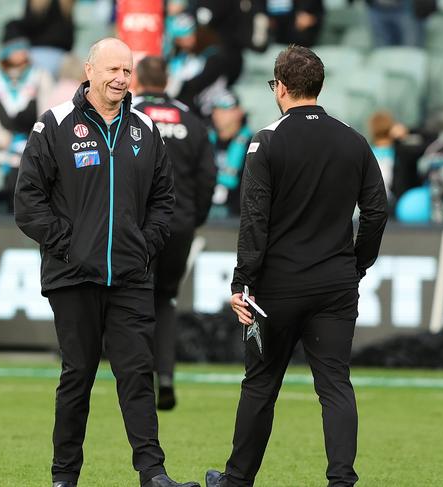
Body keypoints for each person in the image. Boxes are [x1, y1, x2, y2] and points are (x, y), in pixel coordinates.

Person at [13, 38, 200, 487]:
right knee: (77, 376)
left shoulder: (145, 128)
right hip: (72, 276)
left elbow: (164, 200)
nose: (120, 78)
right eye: (112, 69)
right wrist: (69, 245)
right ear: (90, 70)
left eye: (127, 71)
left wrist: (144, 245)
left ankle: (153, 474)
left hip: (132, 276)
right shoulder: (54, 124)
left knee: (137, 375)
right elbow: (28, 201)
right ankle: (64, 477)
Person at [205, 45, 388, 487]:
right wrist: (355, 265)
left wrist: (242, 281)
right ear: (318, 86)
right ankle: (342, 480)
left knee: (261, 385)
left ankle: (236, 480)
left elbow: (254, 220)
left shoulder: (265, 141)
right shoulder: (352, 139)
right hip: (334, 285)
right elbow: (377, 211)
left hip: (276, 290)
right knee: (335, 386)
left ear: (281, 87)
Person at [131, 55, 216, 411]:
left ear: (136, 79)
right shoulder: (191, 119)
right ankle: (165, 377)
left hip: (137, 225)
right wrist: (193, 218)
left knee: (133, 300)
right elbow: (208, 176)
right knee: (165, 299)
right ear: (167, 80)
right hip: (179, 225)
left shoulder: (129, 115)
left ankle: (137, 382)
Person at [0, 19, 53, 211]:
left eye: (25, 47)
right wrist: (6, 140)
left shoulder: (41, 76)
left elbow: (47, 113)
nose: (22, 52)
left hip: (32, 153)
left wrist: (33, 142)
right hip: (0, 155)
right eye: (17, 48)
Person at [208, 91, 253, 219]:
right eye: (216, 109)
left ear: (239, 112)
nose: (219, 114)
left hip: (237, 216)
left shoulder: (253, 144)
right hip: (205, 213)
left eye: (225, 110)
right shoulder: (205, 140)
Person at [21, 0, 75, 78]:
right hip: (60, 55)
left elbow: (27, 26)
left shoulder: (34, 3)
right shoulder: (66, 3)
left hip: (36, 53)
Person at [367, 110, 408, 206]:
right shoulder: (401, 152)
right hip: (395, 206)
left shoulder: (367, 153)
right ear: (391, 128)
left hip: (372, 206)